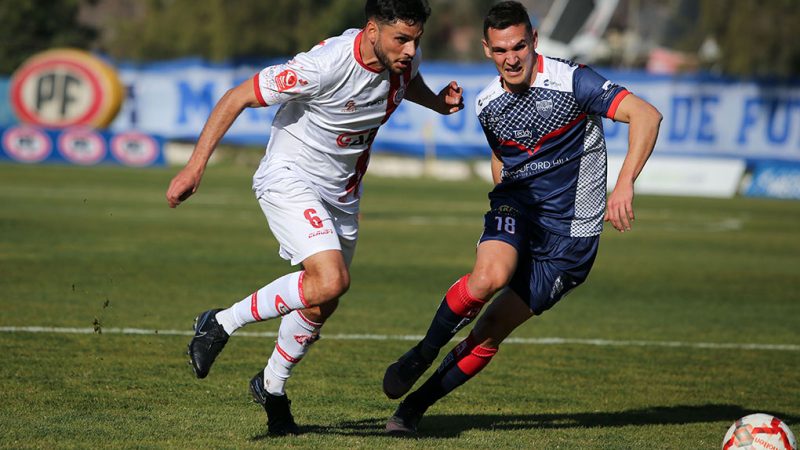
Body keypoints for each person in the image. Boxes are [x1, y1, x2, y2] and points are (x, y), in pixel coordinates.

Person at [165, 0, 463, 436]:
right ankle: (220, 322)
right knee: (331, 279)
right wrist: (195, 167)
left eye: (416, 40)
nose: (410, 49)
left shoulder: (403, 57)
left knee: (323, 298)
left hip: (342, 194)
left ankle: (272, 387)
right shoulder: (322, 67)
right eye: (401, 39)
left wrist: (436, 104)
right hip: (290, 176)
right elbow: (237, 96)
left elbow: (407, 81)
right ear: (372, 30)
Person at [382, 0, 662, 435]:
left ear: (533, 40)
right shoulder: (488, 103)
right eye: (499, 50)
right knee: (488, 277)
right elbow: (502, 156)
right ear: (486, 50)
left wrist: (624, 183)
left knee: (491, 330)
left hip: (570, 240)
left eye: (518, 47)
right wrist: (502, 201)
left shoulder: (573, 81)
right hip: (517, 207)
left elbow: (645, 114)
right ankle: (423, 351)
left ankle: (415, 406)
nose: (510, 58)